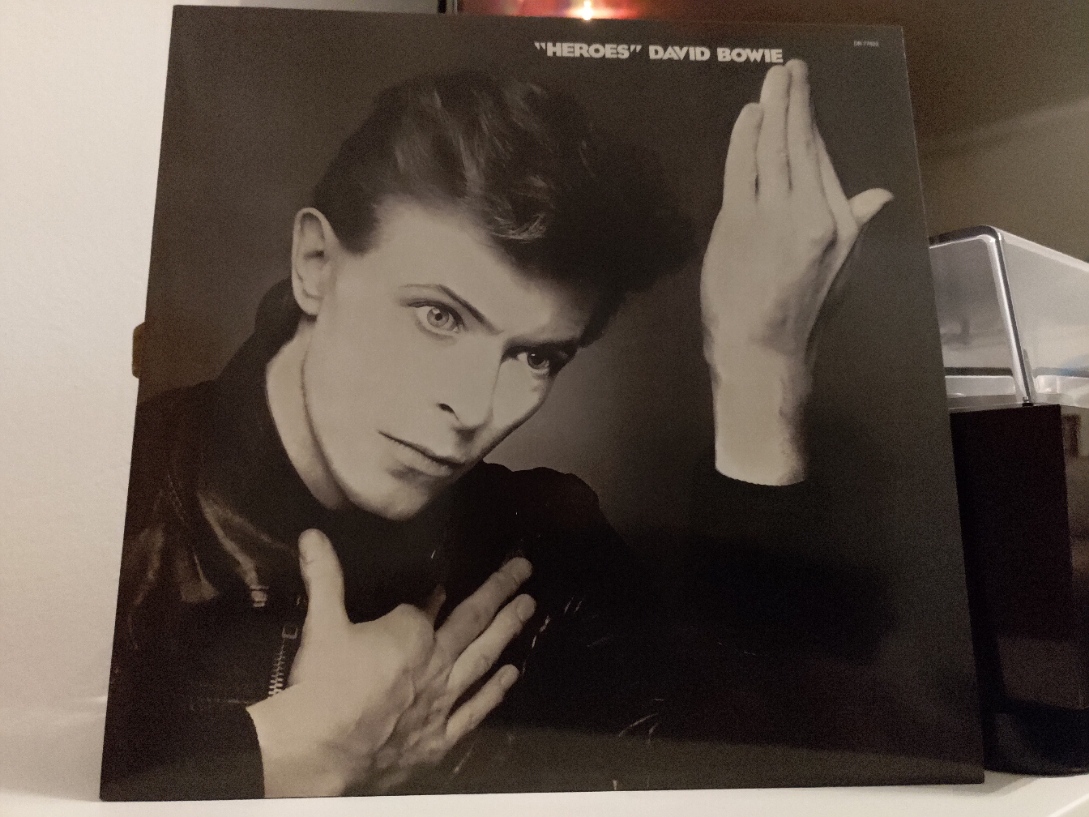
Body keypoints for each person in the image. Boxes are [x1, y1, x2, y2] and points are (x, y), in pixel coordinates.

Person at [101, 60, 891, 800]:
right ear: (315, 262)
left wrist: (759, 374)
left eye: (537, 356)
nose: (474, 405)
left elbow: (763, 784)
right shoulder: (108, 499)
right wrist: (292, 757)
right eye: (439, 315)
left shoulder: (547, 545)